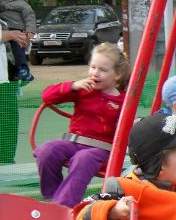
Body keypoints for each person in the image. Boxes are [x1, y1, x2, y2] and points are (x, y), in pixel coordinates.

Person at [34, 42, 129, 206]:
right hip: (73, 142)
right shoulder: (84, 90)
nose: (95, 73)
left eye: (103, 70)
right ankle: (51, 196)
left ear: (118, 74)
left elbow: (127, 129)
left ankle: (64, 205)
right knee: (46, 151)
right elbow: (47, 96)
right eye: (93, 67)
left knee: (82, 158)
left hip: (101, 150)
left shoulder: (123, 101)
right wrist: (72, 86)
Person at [0, 0, 36, 83]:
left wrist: (30, 31)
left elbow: (30, 17)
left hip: (18, 31)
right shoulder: (2, 1)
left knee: (18, 50)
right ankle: (20, 72)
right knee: (12, 53)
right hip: (8, 32)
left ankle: (24, 71)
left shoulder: (23, 4)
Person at [0, 21, 28, 163]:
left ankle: (6, 161)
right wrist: (8, 35)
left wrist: (22, 40)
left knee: (8, 123)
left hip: (7, 80)